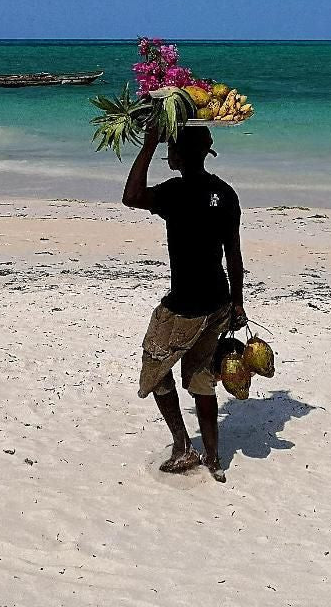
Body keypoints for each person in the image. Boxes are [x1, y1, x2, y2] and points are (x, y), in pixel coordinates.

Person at [122, 119, 246, 482]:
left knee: (156, 368)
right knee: (201, 377)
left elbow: (131, 197)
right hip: (218, 302)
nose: (168, 155)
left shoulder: (174, 193)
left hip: (186, 306)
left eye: (169, 150)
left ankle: (182, 446)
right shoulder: (224, 193)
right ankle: (213, 457)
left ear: (180, 155)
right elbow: (234, 256)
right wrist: (237, 303)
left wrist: (147, 144)